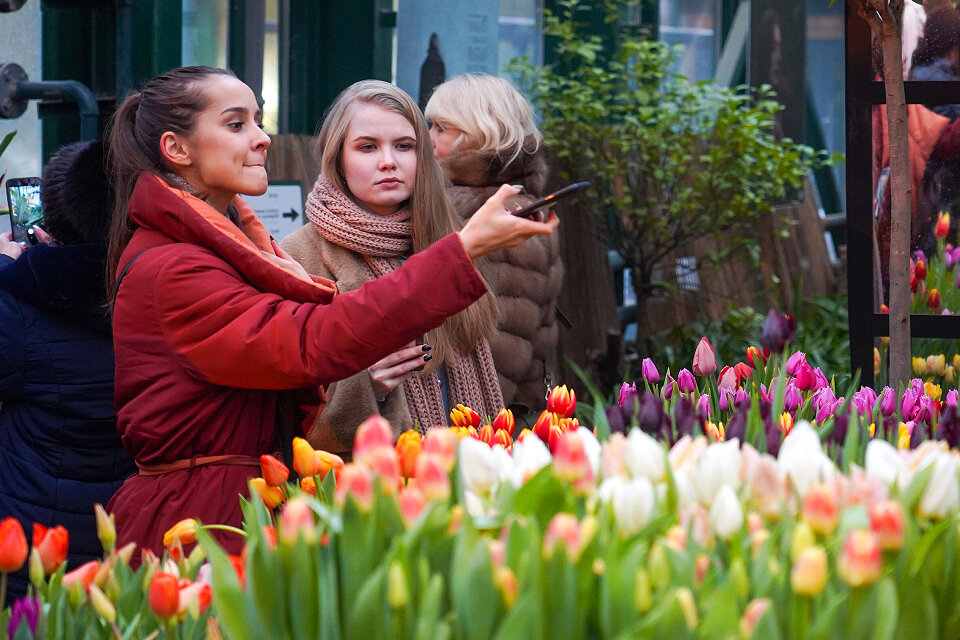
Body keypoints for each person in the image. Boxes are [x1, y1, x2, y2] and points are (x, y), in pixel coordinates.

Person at [104, 66, 556, 559]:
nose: (262, 138)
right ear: (178, 149)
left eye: (258, 120)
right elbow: (311, 344)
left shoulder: (243, 249)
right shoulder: (180, 266)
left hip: (248, 506)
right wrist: (461, 252)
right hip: (207, 520)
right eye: (237, 124)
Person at [282, 80, 506, 453]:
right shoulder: (300, 255)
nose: (388, 161)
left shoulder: (448, 238)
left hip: (469, 466)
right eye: (367, 147)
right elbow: (287, 417)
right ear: (338, 158)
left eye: (404, 146)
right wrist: (367, 387)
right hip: (371, 488)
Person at [0, 139, 134, 602]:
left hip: (29, 542)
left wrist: (8, 267)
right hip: (130, 538)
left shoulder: (19, 304)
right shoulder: (163, 287)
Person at [424, 73, 563, 418]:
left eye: (441, 129)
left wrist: (468, 427)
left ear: (478, 134)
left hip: (484, 423)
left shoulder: (496, 213)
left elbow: (503, 348)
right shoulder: (496, 203)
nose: (427, 140)